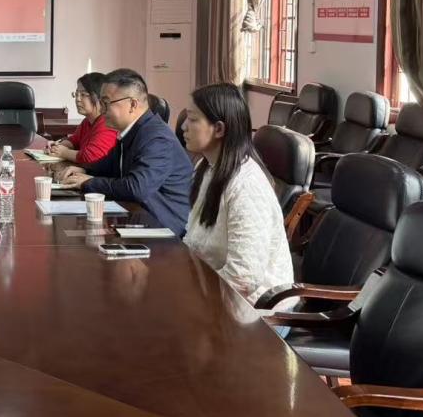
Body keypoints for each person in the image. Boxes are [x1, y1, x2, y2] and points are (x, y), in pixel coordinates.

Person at [181, 82, 294, 302]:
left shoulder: (246, 185)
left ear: (219, 129)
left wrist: (192, 298)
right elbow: (195, 241)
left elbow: (244, 278)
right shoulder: (207, 167)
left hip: (255, 308)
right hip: (214, 291)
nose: (184, 126)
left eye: (193, 119)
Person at [60, 68, 193, 236]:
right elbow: (111, 164)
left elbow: (136, 188)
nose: (102, 109)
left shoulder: (157, 138)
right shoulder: (133, 130)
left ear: (132, 104)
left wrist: (89, 182)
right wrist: (85, 170)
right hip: (137, 217)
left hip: (164, 231)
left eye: (106, 103)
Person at [46, 71, 117, 165]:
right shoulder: (87, 121)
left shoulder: (107, 123)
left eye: (83, 95)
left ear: (100, 97)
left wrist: (64, 153)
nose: (77, 99)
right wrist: (57, 146)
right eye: (76, 94)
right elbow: (74, 140)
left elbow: (91, 157)